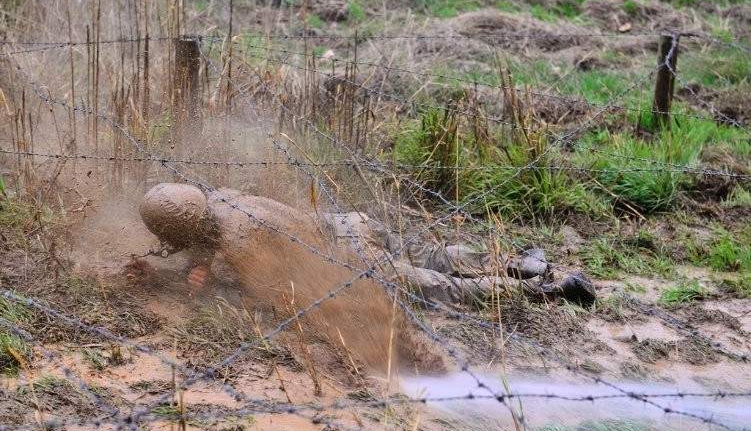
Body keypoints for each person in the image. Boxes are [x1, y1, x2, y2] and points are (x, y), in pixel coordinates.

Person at [137, 183, 596, 308]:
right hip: (349, 225)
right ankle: (525, 264)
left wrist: (205, 284)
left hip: (352, 262)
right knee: (434, 256)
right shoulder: (220, 199)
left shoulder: (235, 246)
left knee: (441, 287)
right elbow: (212, 237)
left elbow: (272, 296)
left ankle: (549, 292)